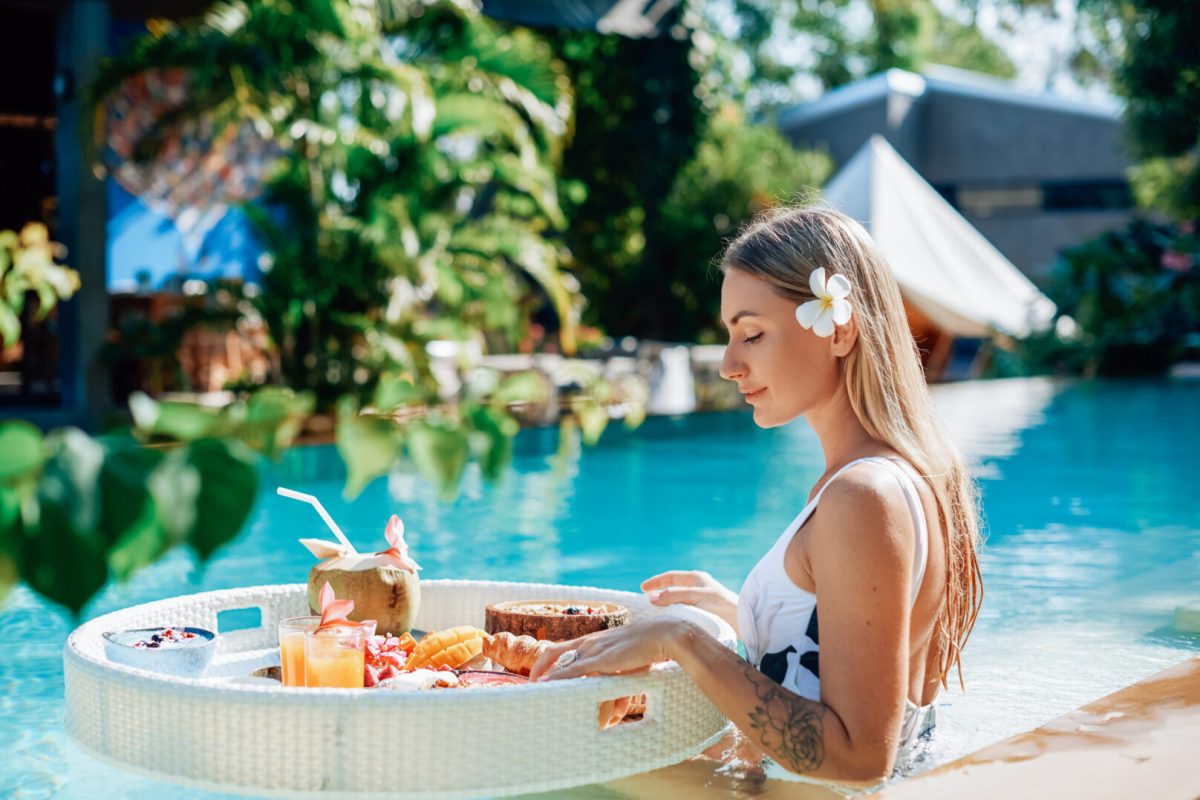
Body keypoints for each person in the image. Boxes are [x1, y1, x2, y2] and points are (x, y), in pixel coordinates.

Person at [530, 206, 984, 783]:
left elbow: (861, 757)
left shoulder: (862, 496)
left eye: (752, 334)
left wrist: (684, 639)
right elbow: (848, 661)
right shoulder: (906, 477)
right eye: (729, 336)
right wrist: (752, 618)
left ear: (839, 330)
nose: (728, 364)